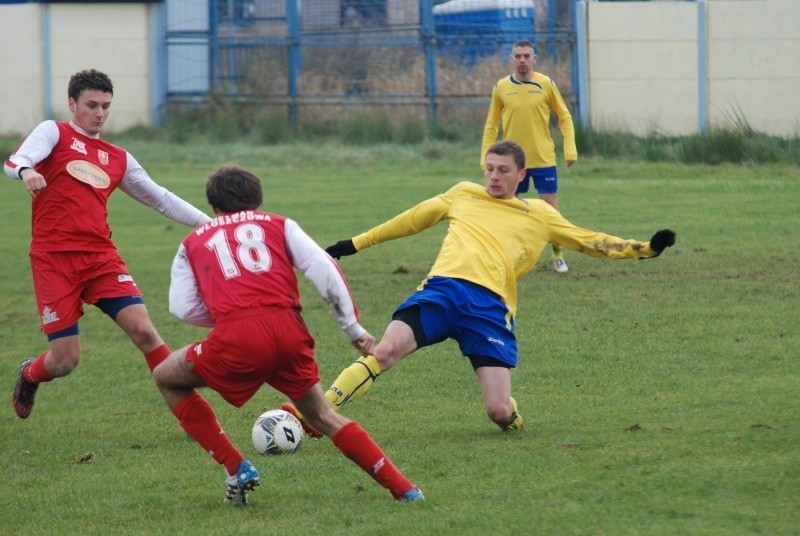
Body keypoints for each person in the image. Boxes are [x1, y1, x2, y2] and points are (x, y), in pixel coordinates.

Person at [283, 140, 675, 434]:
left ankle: (511, 414)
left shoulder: (540, 213)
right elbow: (413, 219)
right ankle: (311, 415)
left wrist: (647, 249)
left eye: (503, 170)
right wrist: (356, 243)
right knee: (384, 351)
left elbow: (592, 241)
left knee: (498, 412)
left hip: (489, 309)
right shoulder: (464, 194)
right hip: (442, 291)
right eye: (489, 168)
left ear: (522, 175)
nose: (493, 177)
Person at [152, 165, 424, 505]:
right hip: (289, 331)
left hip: (236, 336)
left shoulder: (192, 241)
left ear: (213, 206)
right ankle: (404, 488)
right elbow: (324, 267)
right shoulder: (280, 224)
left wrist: (231, 316)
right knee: (322, 415)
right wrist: (352, 328)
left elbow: (181, 308)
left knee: (167, 377)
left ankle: (235, 466)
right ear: (257, 200)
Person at [4, 69, 212, 420]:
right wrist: (27, 171)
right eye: (91, 105)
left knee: (145, 331)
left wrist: (214, 224)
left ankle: (194, 417)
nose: (99, 113)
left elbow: (160, 198)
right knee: (65, 360)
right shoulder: (54, 132)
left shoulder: (118, 157)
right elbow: (14, 161)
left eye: (105, 106)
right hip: (54, 260)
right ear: (72, 103)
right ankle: (29, 374)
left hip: (101, 258)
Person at [481, 39, 578, 274]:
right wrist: (486, 157)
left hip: (543, 157)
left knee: (550, 207)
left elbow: (564, 116)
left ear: (534, 59)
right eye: (518, 56)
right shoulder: (502, 87)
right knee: (510, 207)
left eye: (527, 56)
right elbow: (492, 125)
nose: (522, 60)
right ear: (511, 60)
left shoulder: (546, 84)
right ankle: (510, 255)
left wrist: (570, 148)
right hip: (513, 162)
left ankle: (557, 255)